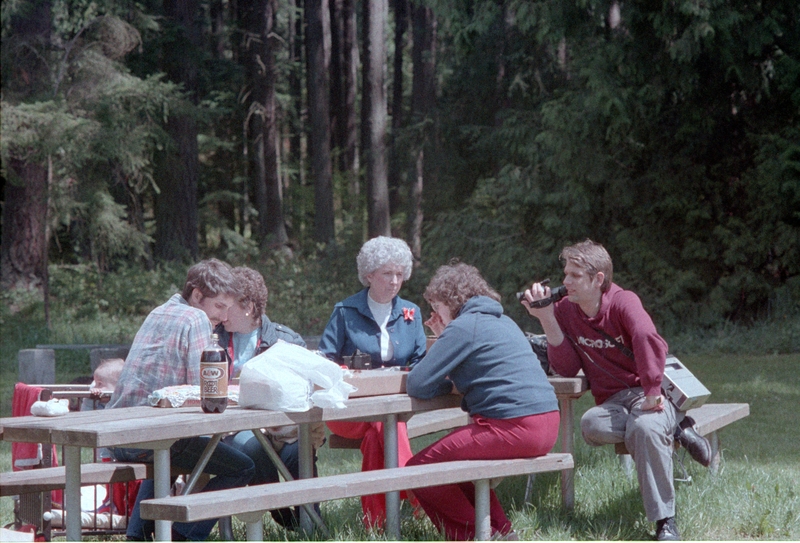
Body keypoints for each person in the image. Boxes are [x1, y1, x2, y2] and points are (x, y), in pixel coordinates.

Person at [521, 239, 711, 542]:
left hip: (649, 394)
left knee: (646, 429)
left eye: (574, 275)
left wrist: (650, 390)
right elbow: (567, 368)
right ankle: (678, 426)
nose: (565, 281)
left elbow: (647, 336)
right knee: (590, 424)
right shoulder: (566, 310)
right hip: (613, 402)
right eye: (565, 274)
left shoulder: (624, 302)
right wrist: (546, 317)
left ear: (598, 280)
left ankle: (665, 522)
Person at [406, 262, 560, 541]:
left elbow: (418, 383)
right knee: (460, 467)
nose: (435, 314)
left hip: (515, 426)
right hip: (548, 423)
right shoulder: (503, 320)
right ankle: (501, 532)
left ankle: (477, 536)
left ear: (451, 301)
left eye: (436, 306)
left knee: (419, 469)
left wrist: (444, 338)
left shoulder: (464, 326)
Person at [107, 259, 255, 541]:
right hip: (146, 437)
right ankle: (184, 534)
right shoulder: (196, 318)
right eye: (220, 306)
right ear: (197, 295)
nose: (225, 317)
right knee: (243, 466)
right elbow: (205, 392)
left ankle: (137, 536)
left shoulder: (158, 311)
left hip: (119, 433)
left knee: (169, 449)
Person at [318, 236, 426, 528]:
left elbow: (420, 362)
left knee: (378, 432)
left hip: (394, 408)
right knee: (383, 422)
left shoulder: (411, 313)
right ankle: (421, 496)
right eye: (387, 274)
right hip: (346, 409)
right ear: (369, 275)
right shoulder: (345, 311)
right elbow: (323, 362)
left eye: (399, 274)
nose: (394, 281)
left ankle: (377, 524)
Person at [215, 266, 325, 530]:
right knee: (253, 445)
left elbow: (304, 392)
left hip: (282, 426)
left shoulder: (286, 341)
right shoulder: (212, 338)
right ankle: (280, 512)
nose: (220, 313)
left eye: (226, 306)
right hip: (232, 427)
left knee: (299, 452)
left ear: (248, 307)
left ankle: (311, 525)